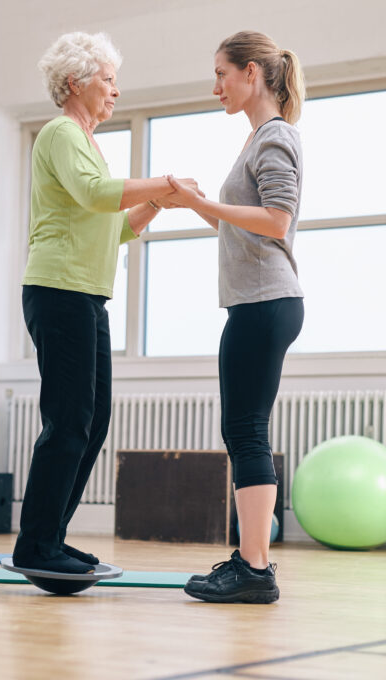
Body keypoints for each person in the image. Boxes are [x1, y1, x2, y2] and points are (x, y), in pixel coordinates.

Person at [15, 32, 199, 574]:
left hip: (86, 297)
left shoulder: (88, 143)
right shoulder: (61, 132)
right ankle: (36, 546)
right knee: (68, 421)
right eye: (108, 79)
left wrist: (158, 205)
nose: (116, 91)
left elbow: (112, 227)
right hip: (59, 291)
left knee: (91, 423)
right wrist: (161, 182)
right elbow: (98, 194)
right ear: (75, 82)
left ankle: (50, 537)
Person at [164, 31, 306, 603]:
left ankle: (254, 568)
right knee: (242, 430)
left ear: (252, 73)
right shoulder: (258, 139)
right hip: (259, 302)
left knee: (246, 432)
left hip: (266, 302)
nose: (215, 85)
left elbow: (276, 219)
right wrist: (197, 207)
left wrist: (203, 203)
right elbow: (242, 225)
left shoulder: (275, 137)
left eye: (221, 73)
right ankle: (253, 562)